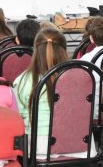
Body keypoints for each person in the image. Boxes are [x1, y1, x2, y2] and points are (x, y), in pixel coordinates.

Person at [14, 28, 88, 158]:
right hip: (79, 144)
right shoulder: (82, 77)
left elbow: (17, 117)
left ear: (35, 51)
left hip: (39, 147)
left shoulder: (22, 81)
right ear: (64, 50)